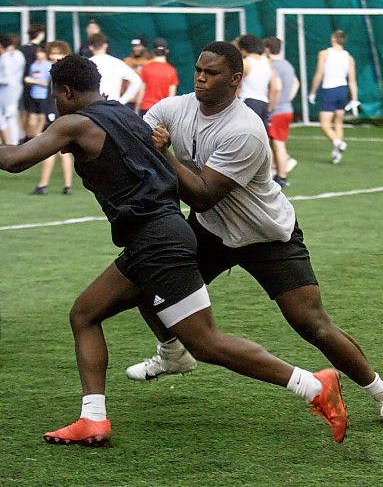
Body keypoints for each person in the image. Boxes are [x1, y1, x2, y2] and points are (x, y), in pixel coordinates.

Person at [0, 54, 347, 446]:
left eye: (55, 96)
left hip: (158, 243)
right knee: (85, 313)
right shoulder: (125, 114)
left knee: (206, 341)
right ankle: (93, 418)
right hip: (158, 233)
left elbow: (14, 160)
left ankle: (314, 385)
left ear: (64, 91)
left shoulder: (74, 122)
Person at [129, 41, 383, 431]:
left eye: (211, 72)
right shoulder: (171, 109)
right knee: (148, 282)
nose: (200, 77)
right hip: (211, 228)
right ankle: (172, 352)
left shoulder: (245, 129)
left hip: (266, 234)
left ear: (235, 79)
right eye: (198, 69)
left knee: (312, 323)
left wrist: (165, 154)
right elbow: (135, 145)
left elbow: (201, 192)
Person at [308, 29, 360, 164]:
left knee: (325, 125)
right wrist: (354, 98)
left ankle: (338, 143)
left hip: (329, 90)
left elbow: (319, 73)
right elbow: (352, 80)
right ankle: (337, 153)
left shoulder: (324, 54)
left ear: (333, 38)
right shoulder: (349, 58)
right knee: (338, 122)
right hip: (342, 91)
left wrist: (313, 91)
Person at [30, 40, 73, 195]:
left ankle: (47, 185)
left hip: (57, 113)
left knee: (54, 149)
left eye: (58, 52)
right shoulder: (55, 72)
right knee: (58, 150)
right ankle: (60, 185)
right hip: (54, 111)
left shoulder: (61, 73)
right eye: (52, 52)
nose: (54, 55)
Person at [263, 36, 299, 188]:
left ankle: (281, 176)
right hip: (286, 109)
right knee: (274, 142)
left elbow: (276, 86)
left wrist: (272, 105)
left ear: (268, 49)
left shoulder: (273, 66)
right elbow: (296, 83)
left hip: (277, 111)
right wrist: (287, 99)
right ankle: (276, 172)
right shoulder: (287, 65)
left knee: (277, 144)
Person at [236, 34, 277, 131]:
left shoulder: (245, 63)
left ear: (243, 49)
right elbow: (275, 87)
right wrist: (270, 109)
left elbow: (236, 86)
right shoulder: (267, 62)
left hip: (247, 102)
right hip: (263, 104)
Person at [89, 33, 141, 105]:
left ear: (90, 47)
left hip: (92, 107)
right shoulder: (117, 63)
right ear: (105, 45)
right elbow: (137, 81)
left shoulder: (87, 64)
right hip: (113, 106)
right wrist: (122, 101)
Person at [135, 37, 178, 117]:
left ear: (153, 51)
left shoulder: (146, 68)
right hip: (162, 111)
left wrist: (136, 110)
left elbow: (141, 91)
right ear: (166, 51)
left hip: (146, 109)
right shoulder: (172, 71)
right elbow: (171, 96)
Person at [19, 23, 45, 142]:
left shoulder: (21, 50)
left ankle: (23, 136)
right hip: (37, 86)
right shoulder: (39, 51)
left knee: (25, 112)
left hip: (21, 84)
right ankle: (32, 138)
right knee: (37, 114)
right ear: (41, 34)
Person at [0, 34, 25, 146]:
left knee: (9, 116)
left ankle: (12, 143)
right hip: (14, 88)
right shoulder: (18, 54)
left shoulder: (6, 57)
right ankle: (12, 142)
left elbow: (8, 78)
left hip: (9, 89)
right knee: (10, 116)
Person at [24, 45, 52, 140]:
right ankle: (30, 138)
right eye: (37, 52)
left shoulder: (48, 65)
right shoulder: (34, 65)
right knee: (31, 119)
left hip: (43, 96)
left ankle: (37, 139)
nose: (38, 54)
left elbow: (45, 84)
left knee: (41, 117)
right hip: (33, 94)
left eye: (41, 52)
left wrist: (32, 81)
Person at [123, 35, 152, 111]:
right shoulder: (127, 61)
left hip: (144, 103)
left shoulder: (151, 63)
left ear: (144, 47)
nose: (135, 48)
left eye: (138, 46)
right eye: (134, 46)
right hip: (129, 102)